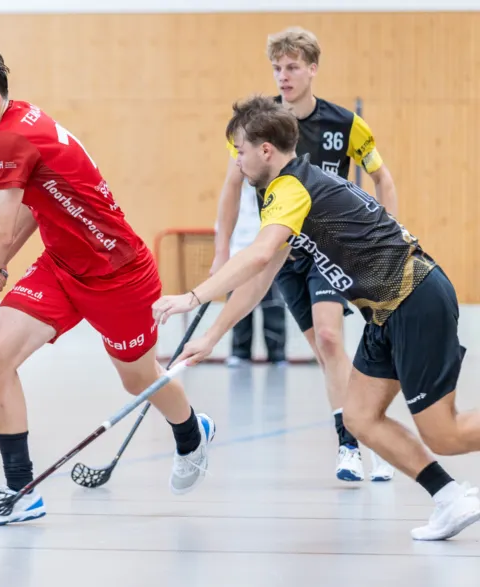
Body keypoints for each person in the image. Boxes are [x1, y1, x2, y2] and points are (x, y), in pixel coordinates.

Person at [153, 95, 480, 541]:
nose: (239, 161)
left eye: (241, 151)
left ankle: (449, 493)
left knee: (444, 432)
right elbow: (263, 275)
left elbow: (259, 254)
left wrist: (193, 296)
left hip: (414, 297)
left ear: (265, 149)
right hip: (384, 312)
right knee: (360, 418)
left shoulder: (291, 188)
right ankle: (449, 498)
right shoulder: (291, 192)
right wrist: (212, 335)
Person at [0, 45, 215, 526]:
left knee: (137, 378)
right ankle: (20, 492)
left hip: (120, 274)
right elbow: (34, 207)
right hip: (63, 266)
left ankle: (191, 430)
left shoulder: (9, 140)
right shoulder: (19, 120)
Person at [211, 27, 397, 482]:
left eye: (293, 67)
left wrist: (387, 240)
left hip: (330, 249)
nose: (284, 76)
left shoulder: (345, 125)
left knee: (331, 339)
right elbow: (231, 188)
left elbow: (384, 180)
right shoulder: (258, 128)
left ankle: (353, 444)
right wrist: (221, 254)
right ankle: (369, 428)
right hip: (285, 255)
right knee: (322, 349)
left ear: (313, 69)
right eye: (277, 67)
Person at [223, 179, 287, 367]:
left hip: (268, 261)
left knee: (273, 309)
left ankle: (277, 354)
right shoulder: (233, 196)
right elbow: (223, 229)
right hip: (237, 261)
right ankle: (240, 353)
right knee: (238, 311)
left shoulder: (276, 194)